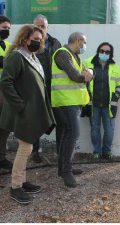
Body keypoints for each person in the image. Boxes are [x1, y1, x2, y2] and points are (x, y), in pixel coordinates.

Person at [0, 25, 56, 204]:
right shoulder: (17, 56)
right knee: (25, 148)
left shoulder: (32, 57)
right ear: (25, 39)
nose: (38, 42)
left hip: (30, 111)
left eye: (40, 40)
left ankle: (22, 182)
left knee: (27, 147)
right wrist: (21, 106)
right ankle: (16, 187)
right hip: (23, 112)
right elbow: (6, 83)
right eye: (35, 39)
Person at [51, 32, 93, 187]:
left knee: (66, 134)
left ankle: (63, 169)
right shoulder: (62, 54)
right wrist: (87, 74)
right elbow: (76, 76)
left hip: (73, 102)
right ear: (77, 40)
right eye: (84, 42)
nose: (84, 46)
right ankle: (66, 172)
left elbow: (86, 73)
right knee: (73, 134)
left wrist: (89, 71)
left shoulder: (76, 57)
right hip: (64, 102)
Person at [84, 42, 120, 160]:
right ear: (98, 51)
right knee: (94, 129)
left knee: (109, 130)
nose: (104, 53)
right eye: (102, 51)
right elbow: (82, 80)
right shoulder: (88, 63)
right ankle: (96, 151)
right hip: (94, 104)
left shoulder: (115, 67)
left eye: (107, 52)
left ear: (110, 54)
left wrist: (115, 96)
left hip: (109, 105)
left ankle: (107, 151)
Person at [31, 14, 62, 163]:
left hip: (55, 89)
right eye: (37, 26)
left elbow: (64, 63)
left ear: (47, 27)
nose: (40, 28)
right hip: (36, 89)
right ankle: (35, 151)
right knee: (36, 121)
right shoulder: (29, 43)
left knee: (58, 121)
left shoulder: (55, 43)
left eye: (42, 26)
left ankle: (60, 153)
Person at [0, 16, 12, 171]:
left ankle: (1, 157)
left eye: (8, 28)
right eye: (4, 28)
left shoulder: (9, 45)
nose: (7, 31)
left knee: (4, 125)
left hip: (6, 90)